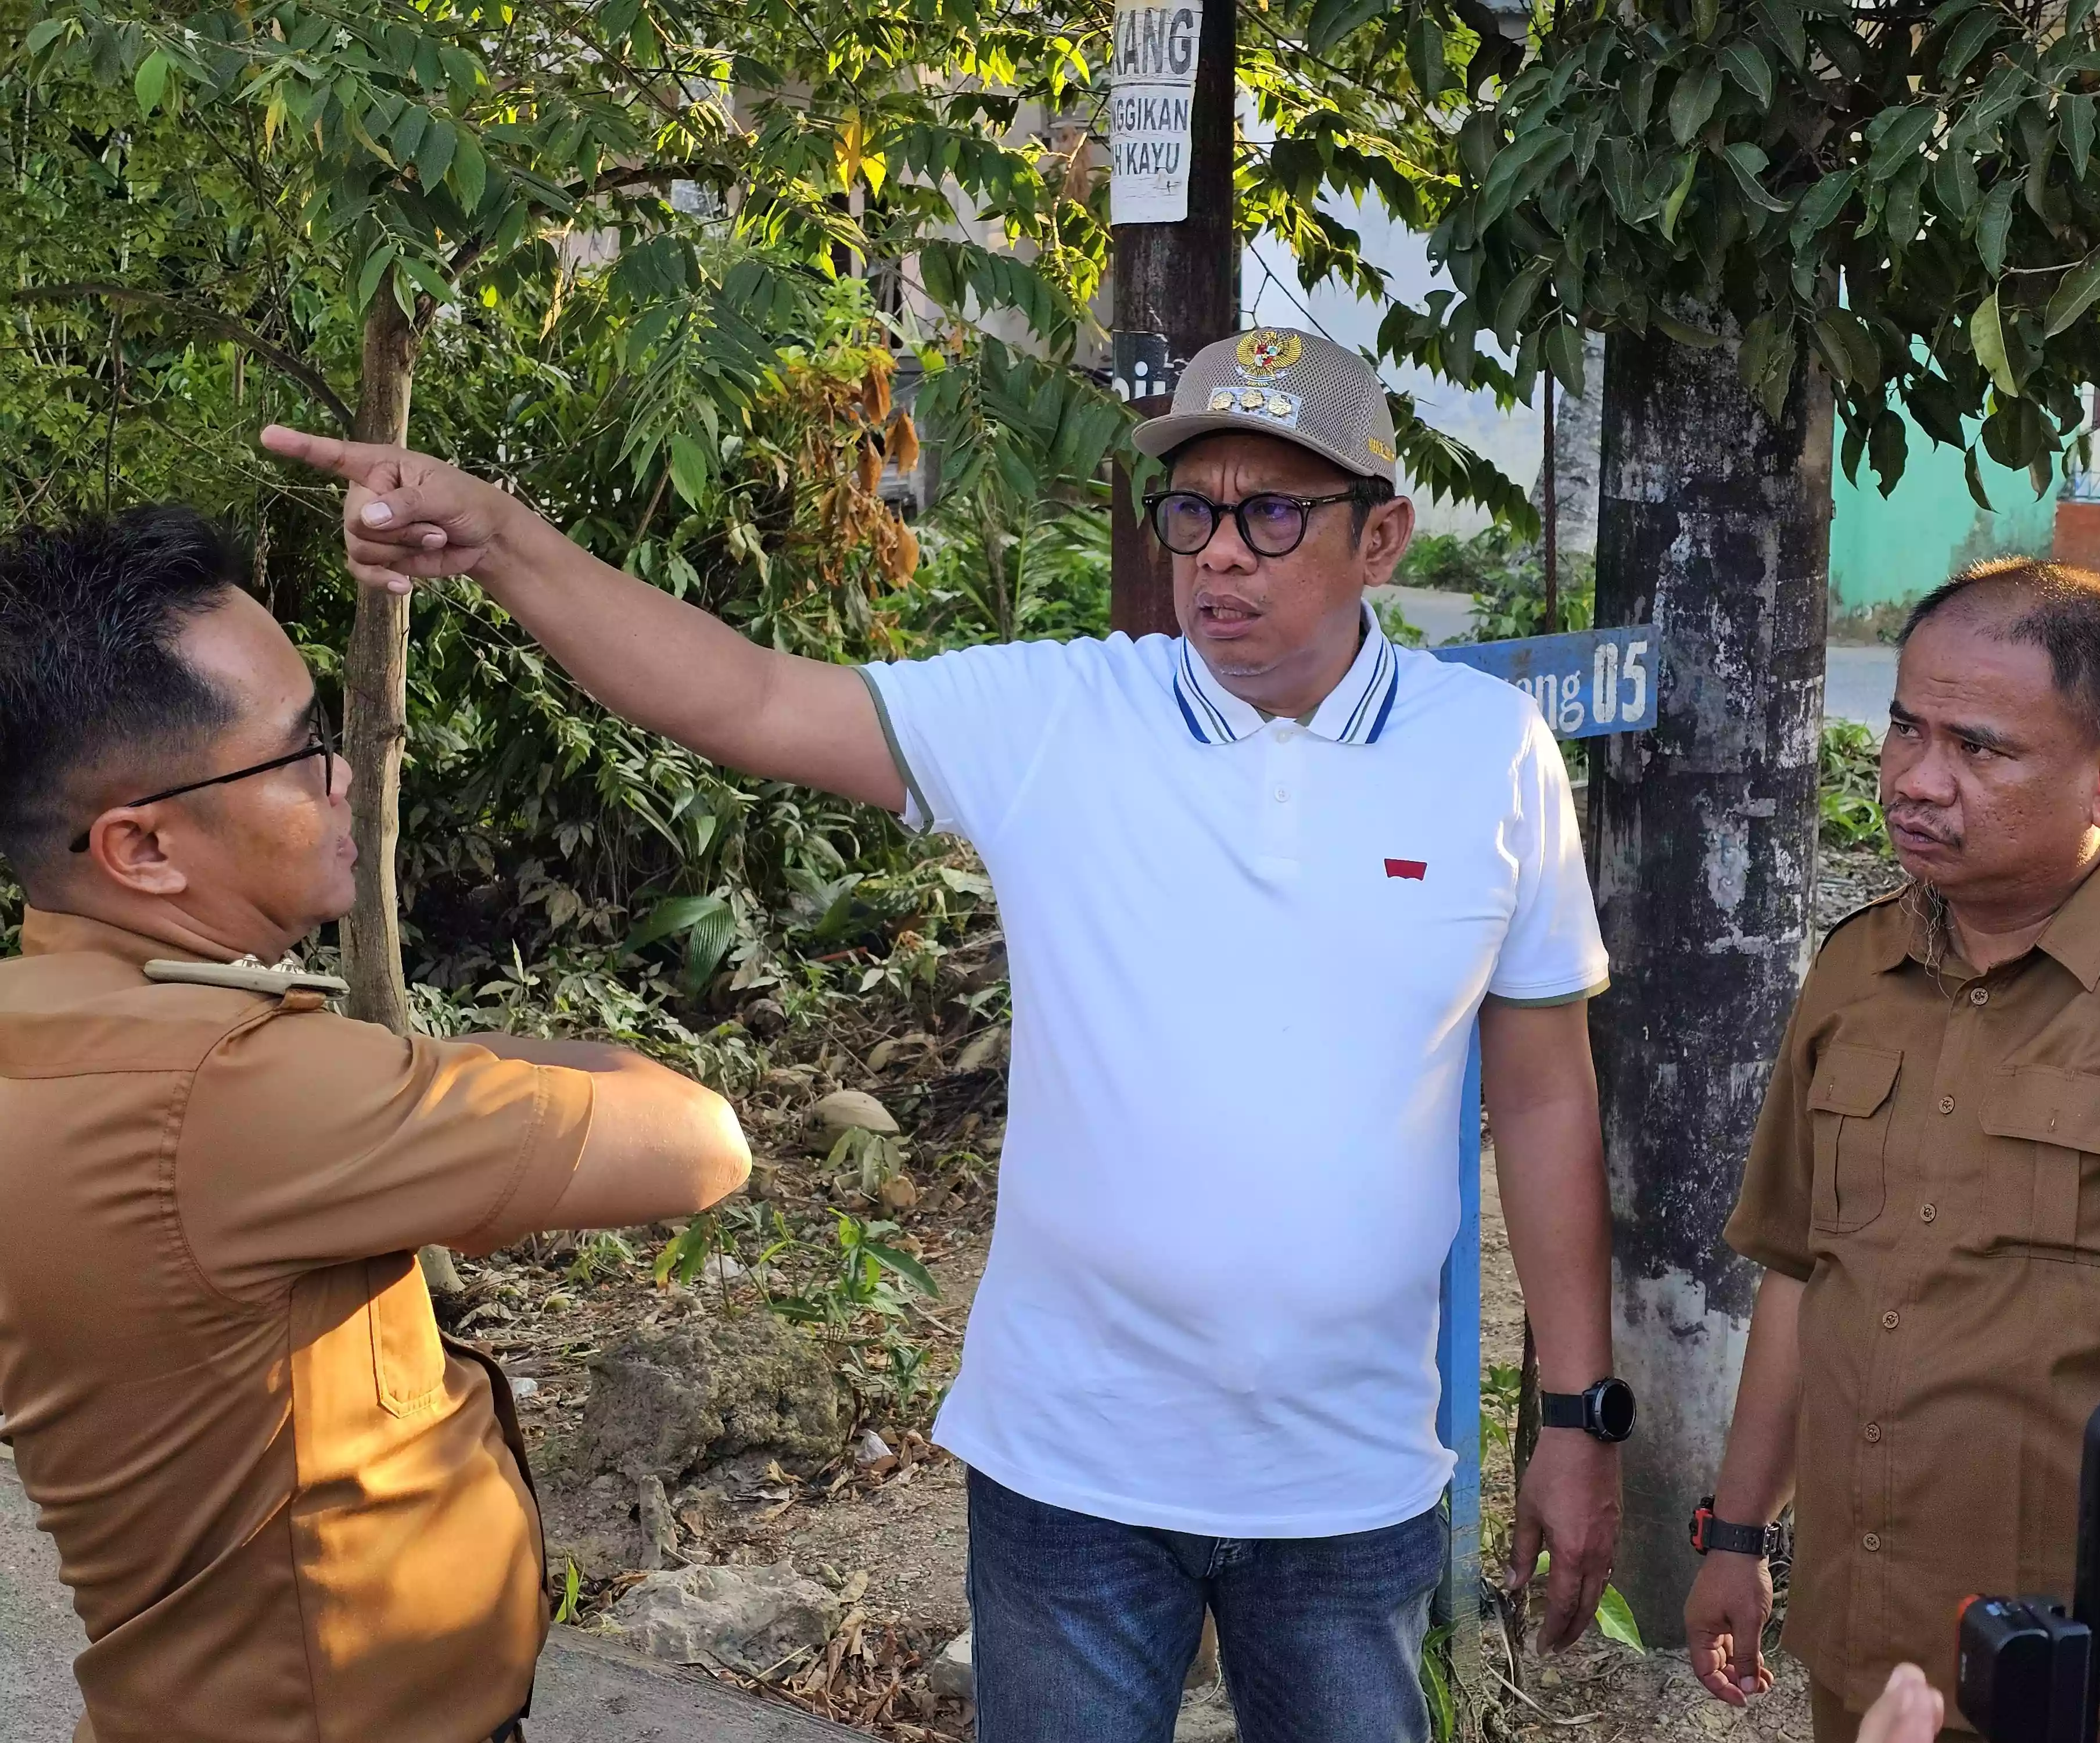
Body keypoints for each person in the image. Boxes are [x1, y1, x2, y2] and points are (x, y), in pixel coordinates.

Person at [264, 326, 1628, 1743]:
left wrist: (1580, 1417)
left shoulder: (1488, 754)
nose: (1218, 553)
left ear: (1382, 538)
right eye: (1191, 511)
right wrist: (500, 540)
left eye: (1272, 514)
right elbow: (746, 696)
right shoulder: (1059, 717)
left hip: (1349, 1490)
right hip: (1069, 1480)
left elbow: (1540, 1102)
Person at [0, 507, 752, 1742]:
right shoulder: (245, 1094)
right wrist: (423, 1070)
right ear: (140, 848)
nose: (347, 773)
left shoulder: (47, 1028)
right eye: (300, 753)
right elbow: (698, 1140)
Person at [1679, 560, 2100, 1740]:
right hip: (1861, 1641)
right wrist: (1736, 1536)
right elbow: (1798, 1274)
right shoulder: (1854, 969)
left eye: (1980, 749)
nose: (1916, 781)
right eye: (1903, 728)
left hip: (2085, 1683)